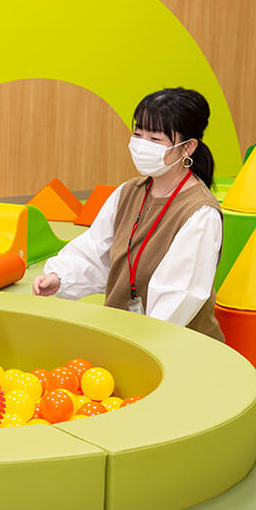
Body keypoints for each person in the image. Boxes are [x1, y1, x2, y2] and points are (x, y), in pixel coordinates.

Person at [32, 87, 225, 341]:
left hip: (174, 345)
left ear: (187, 147)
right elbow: (96, 251)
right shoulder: (128, 192)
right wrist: (60, 278)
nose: (143, 145)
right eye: (138, 134)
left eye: (155, 139)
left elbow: (179, 295)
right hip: (124, 337)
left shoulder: (200, 213)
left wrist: (141, 342)